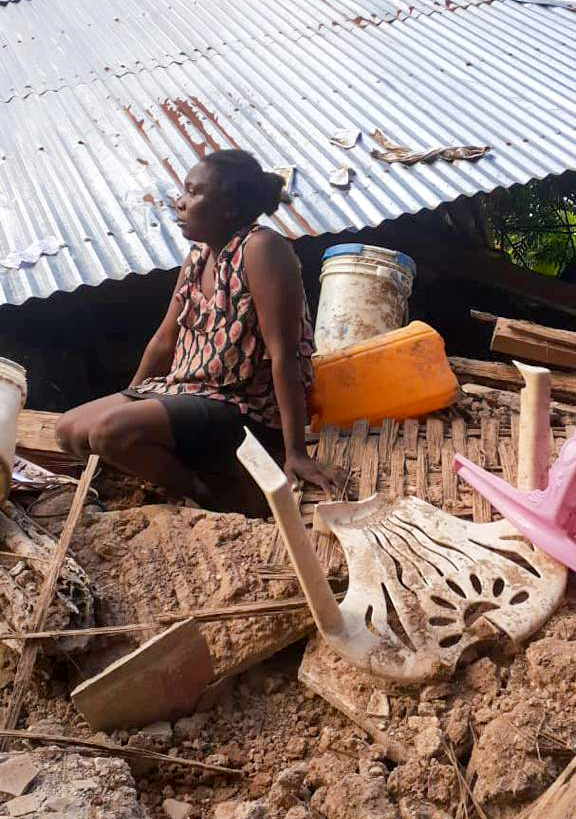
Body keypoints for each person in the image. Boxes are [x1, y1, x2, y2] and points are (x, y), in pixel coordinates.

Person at [56, 150, 344, 511]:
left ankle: (212, 497)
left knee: (109, 431)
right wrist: (134, 394)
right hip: (187, 389)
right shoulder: (198, 257)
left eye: (194, 193)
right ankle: (195, 475)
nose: (179, 202)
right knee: (69, 431)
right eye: (184, 191)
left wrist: (295, 451)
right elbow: (164, 340)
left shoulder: (262, 248)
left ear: (229, 207)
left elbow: (283, 353)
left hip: (242, 403)